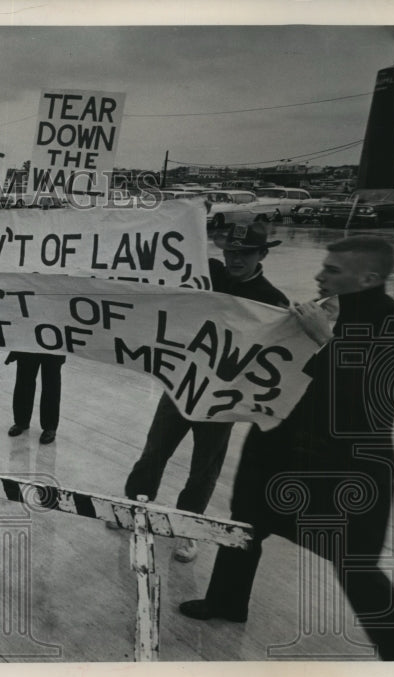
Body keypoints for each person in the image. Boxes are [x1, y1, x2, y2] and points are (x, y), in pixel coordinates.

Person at [180, 236, 394, 661]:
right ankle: (226, 601)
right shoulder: (326, 310)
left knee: (354, 564)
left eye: (333, 270)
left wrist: (324, 339)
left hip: (346, 465)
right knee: (243, 527)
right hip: (281, 448)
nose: (320, 275)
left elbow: (378, 400)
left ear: (369, 277)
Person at [118, 220, 290, 561]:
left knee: (205, 467)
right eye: (229, 253)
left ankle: (187, 528)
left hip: (224, 398)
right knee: (154, 451)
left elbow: (279, 357)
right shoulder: (208, 274)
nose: (235, 260)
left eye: (244, 254)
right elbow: (171, 259)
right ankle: (133, 508)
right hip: (183, 383)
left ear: (262, 254)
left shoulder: (272, 301)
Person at [5, 352, 65, 445]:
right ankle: (21, 422)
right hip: (29, 344)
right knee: (23, 381)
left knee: (51, 385)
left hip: (53, 347)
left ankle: (50, 427)